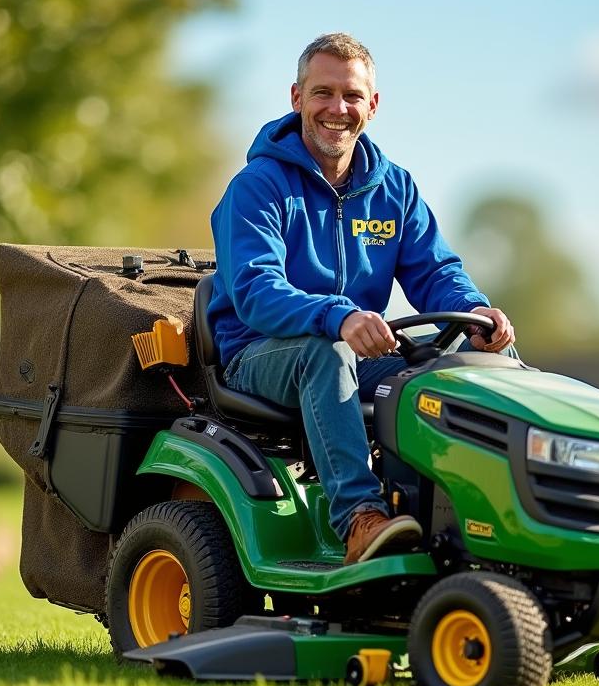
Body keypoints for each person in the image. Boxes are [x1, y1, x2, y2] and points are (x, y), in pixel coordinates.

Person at [208, 33, 515, 564]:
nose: (337, 108)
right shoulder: (257, 187)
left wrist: (475, 312)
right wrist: (338, 317)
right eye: (322, 92)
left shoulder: (395, 188)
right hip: (261, 353)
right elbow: (257, 293)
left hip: (361, 347)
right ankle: (359, 519)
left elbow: (436, 271)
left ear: (372, 105)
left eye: (351, 96)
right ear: (296, 97)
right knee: (326, 352)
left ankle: (500, 513)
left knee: (484, 361)